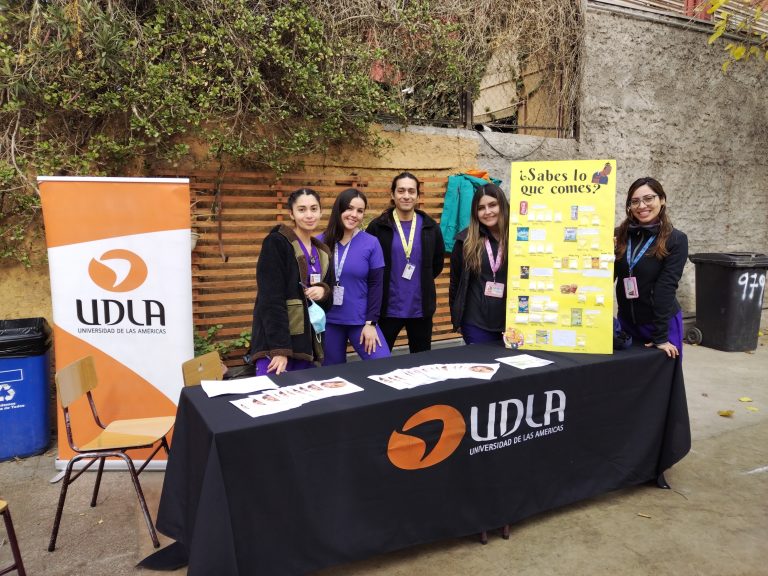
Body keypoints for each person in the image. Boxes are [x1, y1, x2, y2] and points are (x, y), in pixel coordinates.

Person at [249, 188, 332, 375]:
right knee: (272, 399)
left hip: (306, 346)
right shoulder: (276, 243)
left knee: (303, 400)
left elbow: (330, 298)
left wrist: (323, 290)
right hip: (276, 348)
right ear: (291, 213)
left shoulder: (323, 252)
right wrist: (279, 350)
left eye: (313, 209)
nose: (309, 215)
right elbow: (270, 300)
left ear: (321, 211)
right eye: (302, 210)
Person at [366, 172, 445, 353]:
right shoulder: (378, 227)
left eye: (411, 191)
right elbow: (370, 267)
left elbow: (436, 264)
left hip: (420, 309)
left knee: (420, 363)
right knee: (379, 361)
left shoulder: (430, 227)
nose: (406, 196)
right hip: (387, 309)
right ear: (392, 194)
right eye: (401, 191)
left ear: (417, 195)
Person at [614, 177, 688, 358]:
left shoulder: (676, 239)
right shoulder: (619, 236)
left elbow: (666, 287)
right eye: (635, 201)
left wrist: (661, 336)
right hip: (626, 322)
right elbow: (606, 277)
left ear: (662, 200)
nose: (642, 206)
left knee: (658, 380)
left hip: (659, 324)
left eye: (648, 198)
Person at [319, 188, 390, 365]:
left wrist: (371, 323)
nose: (354, 215)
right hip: (329, 321)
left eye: (360, 211)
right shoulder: (319, 242)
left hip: (360, 320)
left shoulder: (371, 243)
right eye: (349, 208)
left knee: (383, 365)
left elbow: (376, 285)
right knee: (333, 376)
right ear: (339, 209)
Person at [449, 183, 510, 344]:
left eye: (492, 205)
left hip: (513, 322)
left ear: (502, 205)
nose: (487, 212)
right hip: (475, 322)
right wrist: (457, 319)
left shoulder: (519, 237)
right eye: (481, 208)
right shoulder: (465, 241)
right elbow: (455, 283)